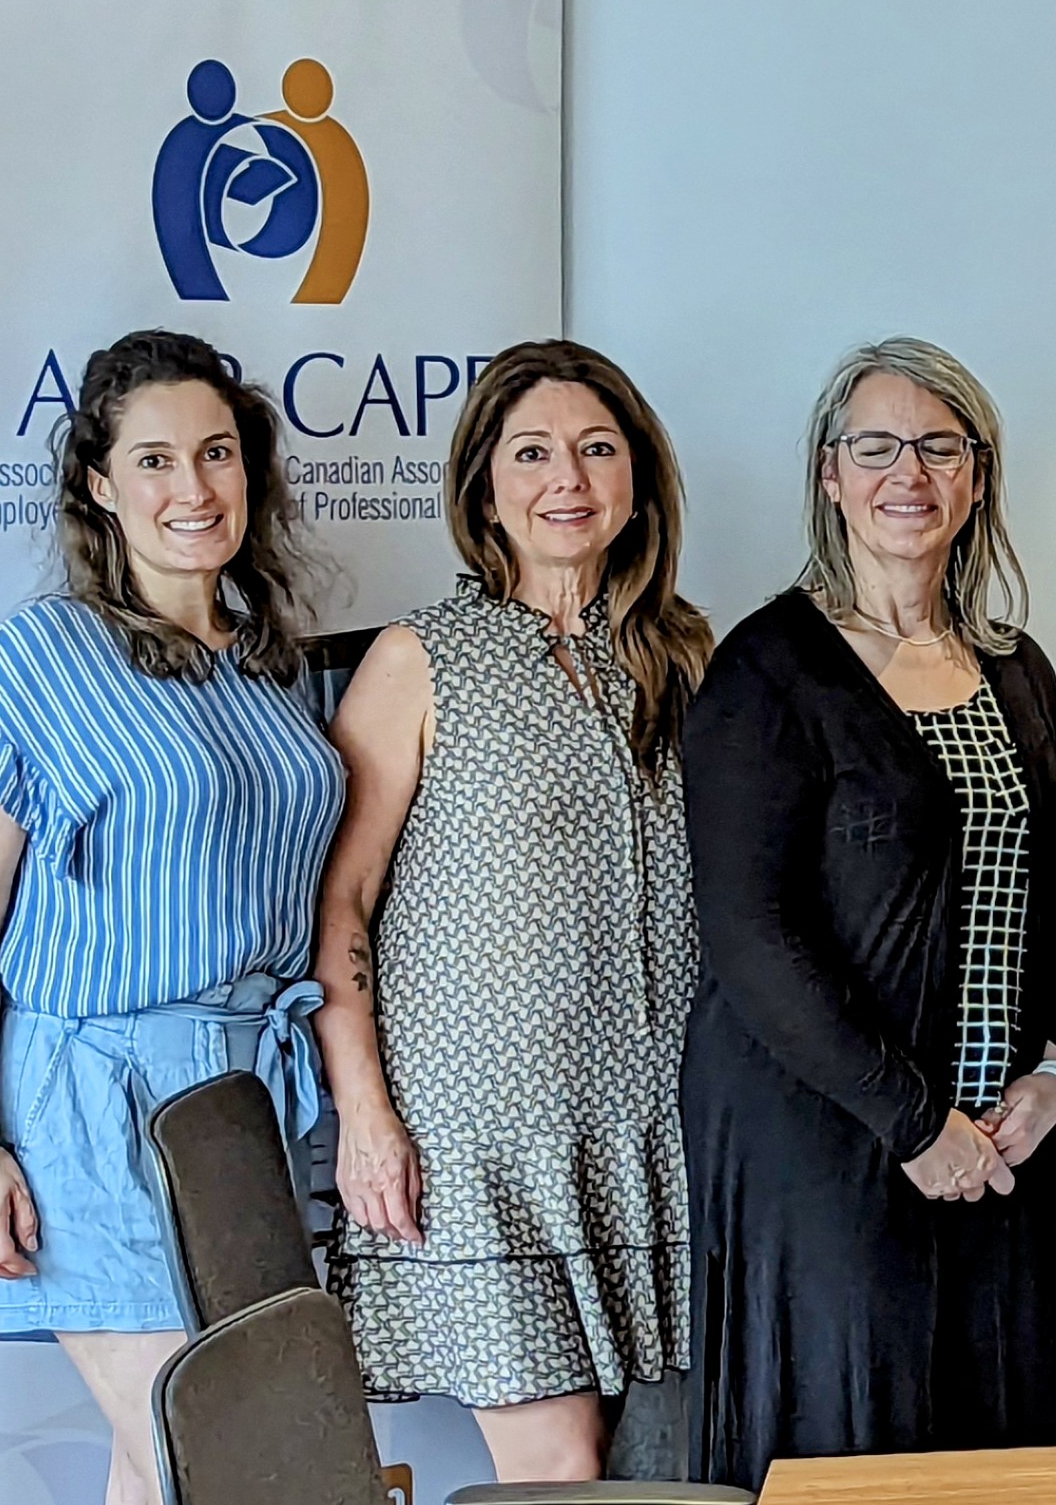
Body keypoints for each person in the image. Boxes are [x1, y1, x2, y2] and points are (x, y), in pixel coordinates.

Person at [0, 330, 346, 1505]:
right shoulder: (38, 659)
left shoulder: (263, 661)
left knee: (184, 1458)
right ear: (100, 487)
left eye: (215, 453)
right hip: (93, 1102)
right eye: (154, 461)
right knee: (205, 1452)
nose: (193, 489)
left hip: (244, 1100)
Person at [679, 338, 1056, 1487]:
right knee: (848, 1445)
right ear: (829, 475)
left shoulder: (1016, 667)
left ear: (975, 478)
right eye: (875, 446)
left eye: (938, 447)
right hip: (826, 1140)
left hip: (1003, 1145)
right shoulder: (767, 670)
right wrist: (914, 1124)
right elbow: (751, 940)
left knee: (990, 1444)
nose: (905, 473)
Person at [312, 341, 711, 1479]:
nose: (567, 479)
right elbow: (339, 902)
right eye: (531, 452)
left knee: (664, 1466)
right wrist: (365, 1116)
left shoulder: (688, 657)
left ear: (637, 474)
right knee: (562, 1474)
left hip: (652, 1133)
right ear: (484, 483)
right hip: (480, 1142)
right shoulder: (419, 658)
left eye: (596, 448)